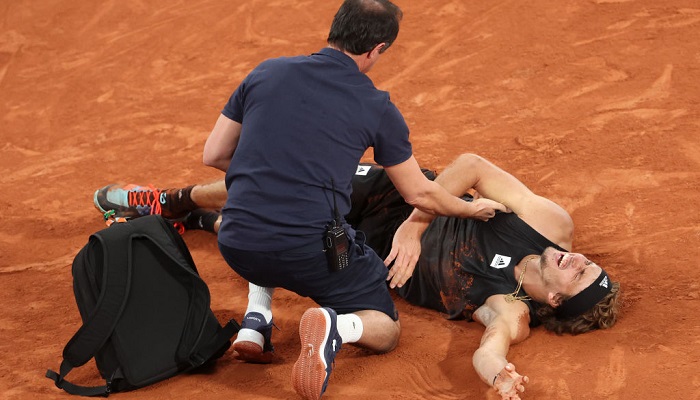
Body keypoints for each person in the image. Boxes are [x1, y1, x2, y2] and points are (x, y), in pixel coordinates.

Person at [165, 1, 509, 399]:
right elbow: (419, 192)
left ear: (335, 29)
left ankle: (256, 320)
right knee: (386, 326)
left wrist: (271, 175)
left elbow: (214, 154)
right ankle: (337, 328)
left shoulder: (267, 72)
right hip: (309, 253)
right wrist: (470, 208)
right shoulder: (377, 106)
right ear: (377, 49)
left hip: (238, 244)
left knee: (270, 218)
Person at [94, 153, 621, 400]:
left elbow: (490, 348)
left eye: (579, 275)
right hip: (398, 197)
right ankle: (167, 201)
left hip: (364, 256)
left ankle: (199, 221)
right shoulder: (551, 226)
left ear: (555, 301)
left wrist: (498, 376)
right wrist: (416, 225)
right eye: (588, 262)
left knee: (277, 236)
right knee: (286, 181)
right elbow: (472, 166)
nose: (578, 259)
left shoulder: (511, 309)